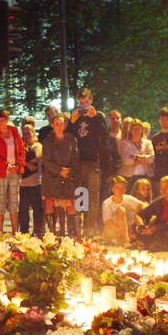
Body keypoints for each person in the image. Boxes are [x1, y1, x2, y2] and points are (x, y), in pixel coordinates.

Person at [69, 88, 108, 237]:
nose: (84, 105)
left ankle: (90, 228)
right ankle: (77, 228)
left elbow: (105, 136)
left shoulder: (98, 117)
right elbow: (69, 137)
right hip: (78, 162)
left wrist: (96, 118)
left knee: (93, 196)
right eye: (81, 102)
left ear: (91, 101)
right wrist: (71, 121)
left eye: (86, 102)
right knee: (79, 194)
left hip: (93, 162)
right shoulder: (76, 117)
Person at [40, 113, 80, 238]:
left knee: (70, 203)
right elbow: (45, 161)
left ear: (65, 124)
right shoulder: (47, 141)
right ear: (52, 125)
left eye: (61, 123)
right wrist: (59, 170)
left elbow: (76, 158)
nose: (58, 126)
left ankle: (75, 235)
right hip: (52, 177)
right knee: (50, 203)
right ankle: (52, 235)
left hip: (68, 176)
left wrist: (68, 171)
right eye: (56, 123)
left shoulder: (72, 140)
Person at [0, 107, 25, 235]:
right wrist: (6, 165)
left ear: (7, 120)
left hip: (15, 172)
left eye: (2, 121)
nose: (0, 124)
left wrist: (19, 165)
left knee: (14, 202)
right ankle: (1, 231)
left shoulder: (14, 132)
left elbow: (21, 150)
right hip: (0, 173)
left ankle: (15, 232)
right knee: (0, 202)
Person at [100, 176, 144, 246]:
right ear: (112, 189)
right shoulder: (107, 203)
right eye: (117, 187)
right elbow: (108, 222)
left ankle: (130, 238)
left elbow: (142, 205)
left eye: (122, 188)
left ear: (125, 189)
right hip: (113, 231)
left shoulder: (128, 198)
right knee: (121, 210)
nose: (120, 190)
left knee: (137, 212)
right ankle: (125, 240)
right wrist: (122, 233)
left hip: (127, 231)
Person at [19, 119, 43, 235]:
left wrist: (23, 160)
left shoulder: (38, 146)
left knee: (37, 210)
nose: (27, 135)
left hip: (36, 183)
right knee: (23, 211)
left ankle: (38, 232)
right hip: (22, 184)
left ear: (34, 133)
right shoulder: (20, 146)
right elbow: (16, 158)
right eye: (24, 133)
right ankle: (24, 233)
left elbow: (36, 157)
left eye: (29, 133)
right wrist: (27, 163)